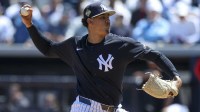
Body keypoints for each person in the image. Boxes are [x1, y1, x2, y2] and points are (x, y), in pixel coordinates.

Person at [20, 2, 182, 112]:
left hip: (114, 107)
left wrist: (175, 77)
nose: (108, 21)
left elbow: (155, 55)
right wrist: (29, 25)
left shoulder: (120, 44)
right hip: (85, 107)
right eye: (102, 17)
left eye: (108, 17)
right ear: (90, 22)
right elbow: (47, 49)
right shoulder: (75, 45)